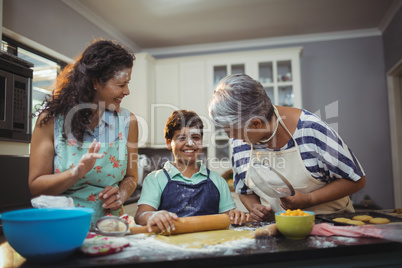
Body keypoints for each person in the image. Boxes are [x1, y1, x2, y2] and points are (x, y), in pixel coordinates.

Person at [208, 74, 366, 222]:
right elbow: (244, 191)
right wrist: (255, 208)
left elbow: (355, 179)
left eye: (234, 132)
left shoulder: (310, 129)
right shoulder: (240, 141)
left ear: (256, 123)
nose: (231, 138)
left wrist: (309, 199)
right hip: (278, 231)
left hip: (332, 227)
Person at [29, 39, 139, 228]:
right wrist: (76, 173)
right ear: (96, 82)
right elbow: (36, 186)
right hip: (62, 227)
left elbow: (131, 176)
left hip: (109, 227)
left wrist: (121, 194)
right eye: (121, 85)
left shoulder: (129, 122)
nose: (127, 91)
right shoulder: (51, 121)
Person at [135, 110, 250, 233]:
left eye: (195, 138)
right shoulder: (155, 179)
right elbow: (140, 216)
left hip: (211, 246)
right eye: (181, 138)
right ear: (169, 143)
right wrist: (151, 216)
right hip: (171, 247)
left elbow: (228, 218)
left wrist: (236, 216)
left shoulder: (217, 180)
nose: (189, 143)